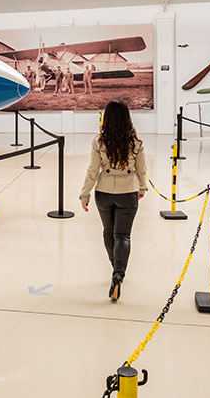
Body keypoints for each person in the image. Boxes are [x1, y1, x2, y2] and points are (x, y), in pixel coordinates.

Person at [79, 100, 147, 301]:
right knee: (123, 236)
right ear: (128, 118)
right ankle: (118, 273)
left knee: (109, 233)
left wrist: (85, 194)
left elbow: (93, 171)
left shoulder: (99, 141)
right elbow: (142, 169)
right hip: (128, 192)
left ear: (106, 118)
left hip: (104, 193)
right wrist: (142, 187)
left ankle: (116, 270)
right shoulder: (136, 142)